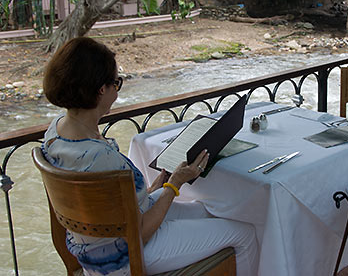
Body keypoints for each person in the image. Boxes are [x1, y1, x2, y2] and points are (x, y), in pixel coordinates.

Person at [42, 37, 258, 276]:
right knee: (244, 234)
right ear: (101, 89)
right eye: (116, 83)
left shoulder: (55, 132)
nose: (117, 90)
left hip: (94, 243)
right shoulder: (100, 157)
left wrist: (159, 187)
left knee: (209, 210)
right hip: (123, 254)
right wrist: (174, 184)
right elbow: (141, 231)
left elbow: (117, 206)